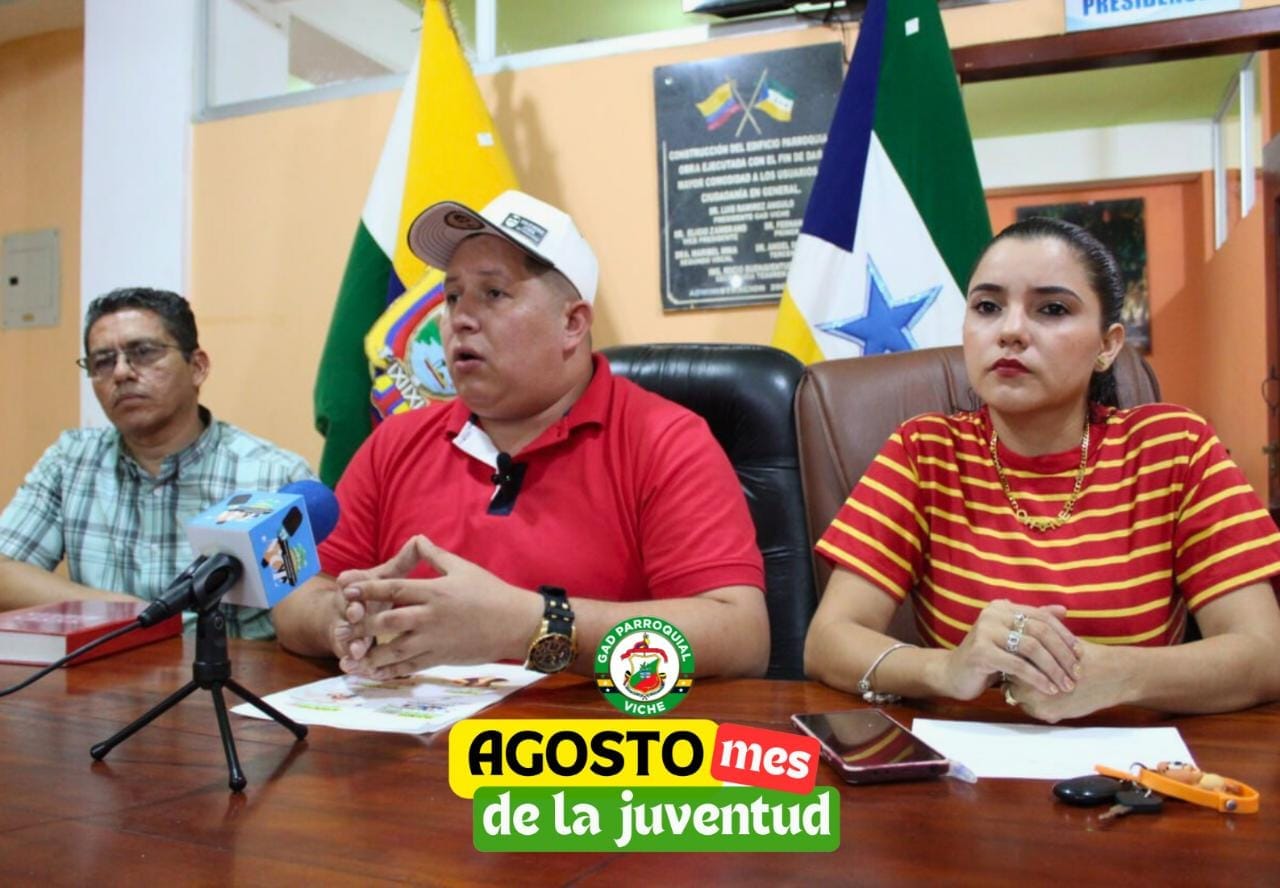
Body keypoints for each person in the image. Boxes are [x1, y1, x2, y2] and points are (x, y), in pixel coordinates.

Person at [273, 190, 768, 678]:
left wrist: (532, 627)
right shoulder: (394, 442)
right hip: (413, 725)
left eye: (493, 294)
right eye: (452, 297)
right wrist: (341, 619)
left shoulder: (665, 440)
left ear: (572, 322)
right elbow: (298, 594)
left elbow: (740, 637)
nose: (460, 319)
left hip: (586, 729)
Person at [805, 217, 1280, 722]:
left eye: (1052, 309)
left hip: (1139, 759)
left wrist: (1121, 674)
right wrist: (944, 668)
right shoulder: (924, 452)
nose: (1010, 331)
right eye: (987, 307)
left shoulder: (1175, 448)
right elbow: (828, 641)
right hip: (966, 758)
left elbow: (1266, 653)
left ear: (1107, 345)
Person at [0, 287, 314, 638]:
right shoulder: (70, 461)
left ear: (197, 367)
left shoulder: (272, 476)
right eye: (103, 362)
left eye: (144, 352)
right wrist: (130, 614)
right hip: (105, 667)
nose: (121, 372)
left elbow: (304, 607)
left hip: (233, 670)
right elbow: (4, 572)